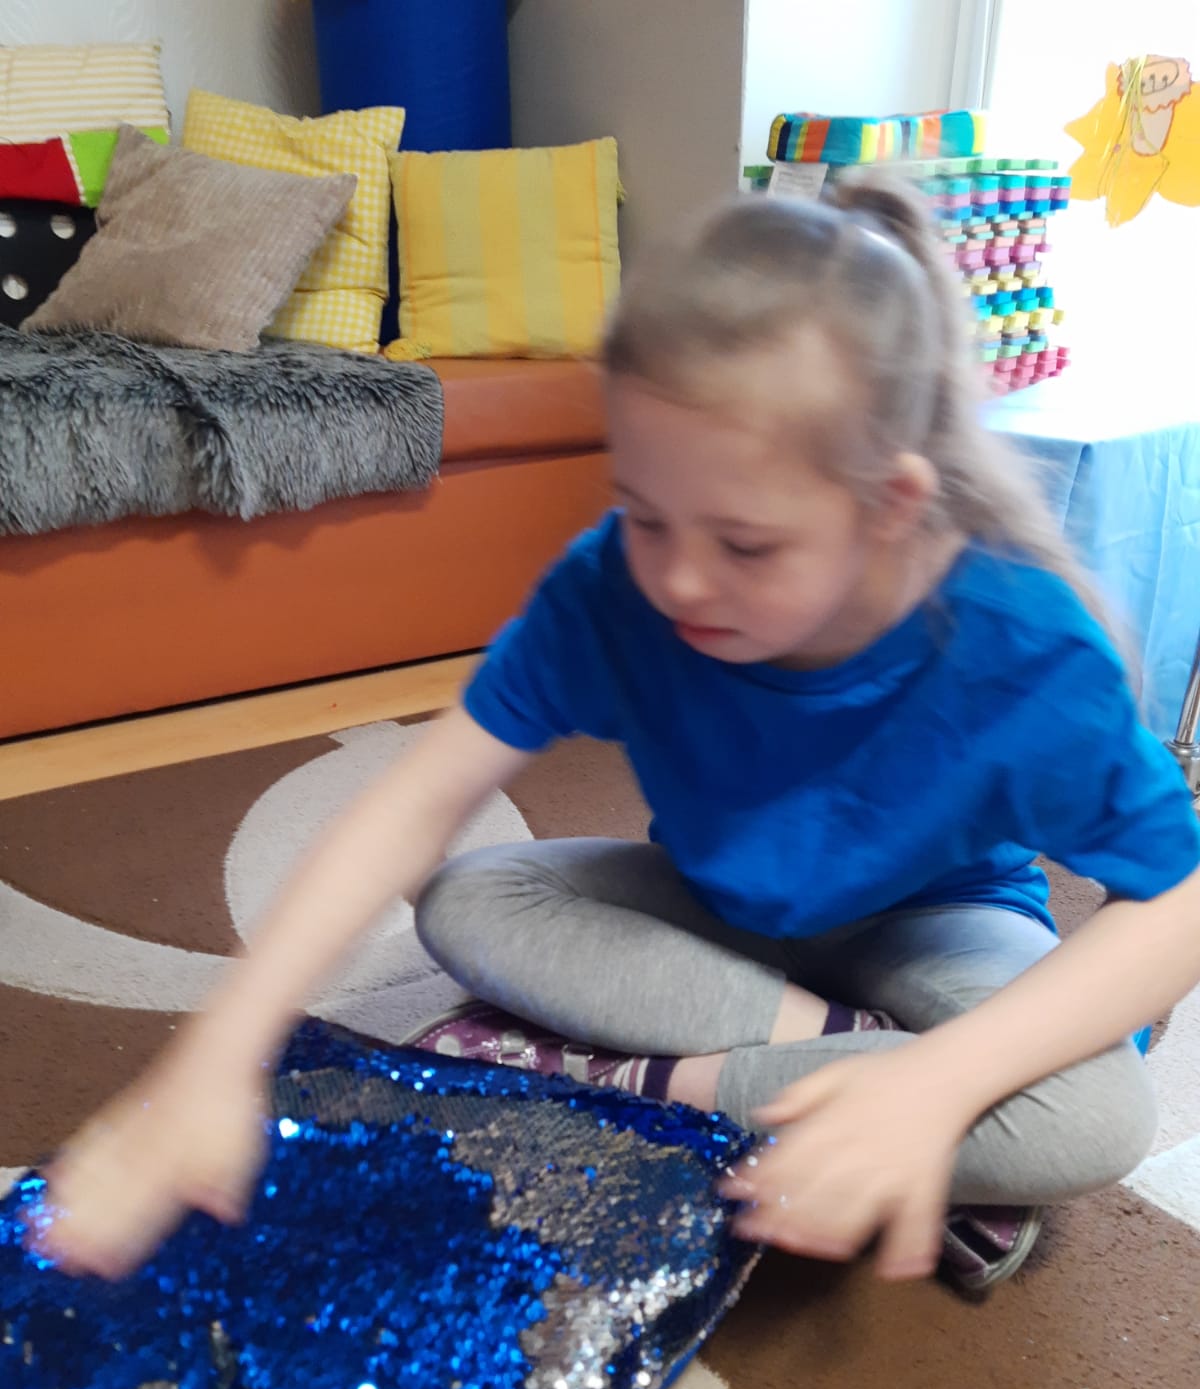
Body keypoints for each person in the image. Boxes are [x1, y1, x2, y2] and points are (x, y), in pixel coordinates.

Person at [40, 177, 1200, 1292]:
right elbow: (419, 798)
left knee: (1096, 1113)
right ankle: (853, 1079)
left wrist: (941, 1082)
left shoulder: (1019, 646)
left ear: (889, 506)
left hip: (938, 928)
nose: (679, 579)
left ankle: (656, 1083)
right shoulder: (612, 587)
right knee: (472, 899)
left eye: (745, 544)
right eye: (644, 514)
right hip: (717, 912)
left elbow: (1178, 901)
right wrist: (215, 1056)